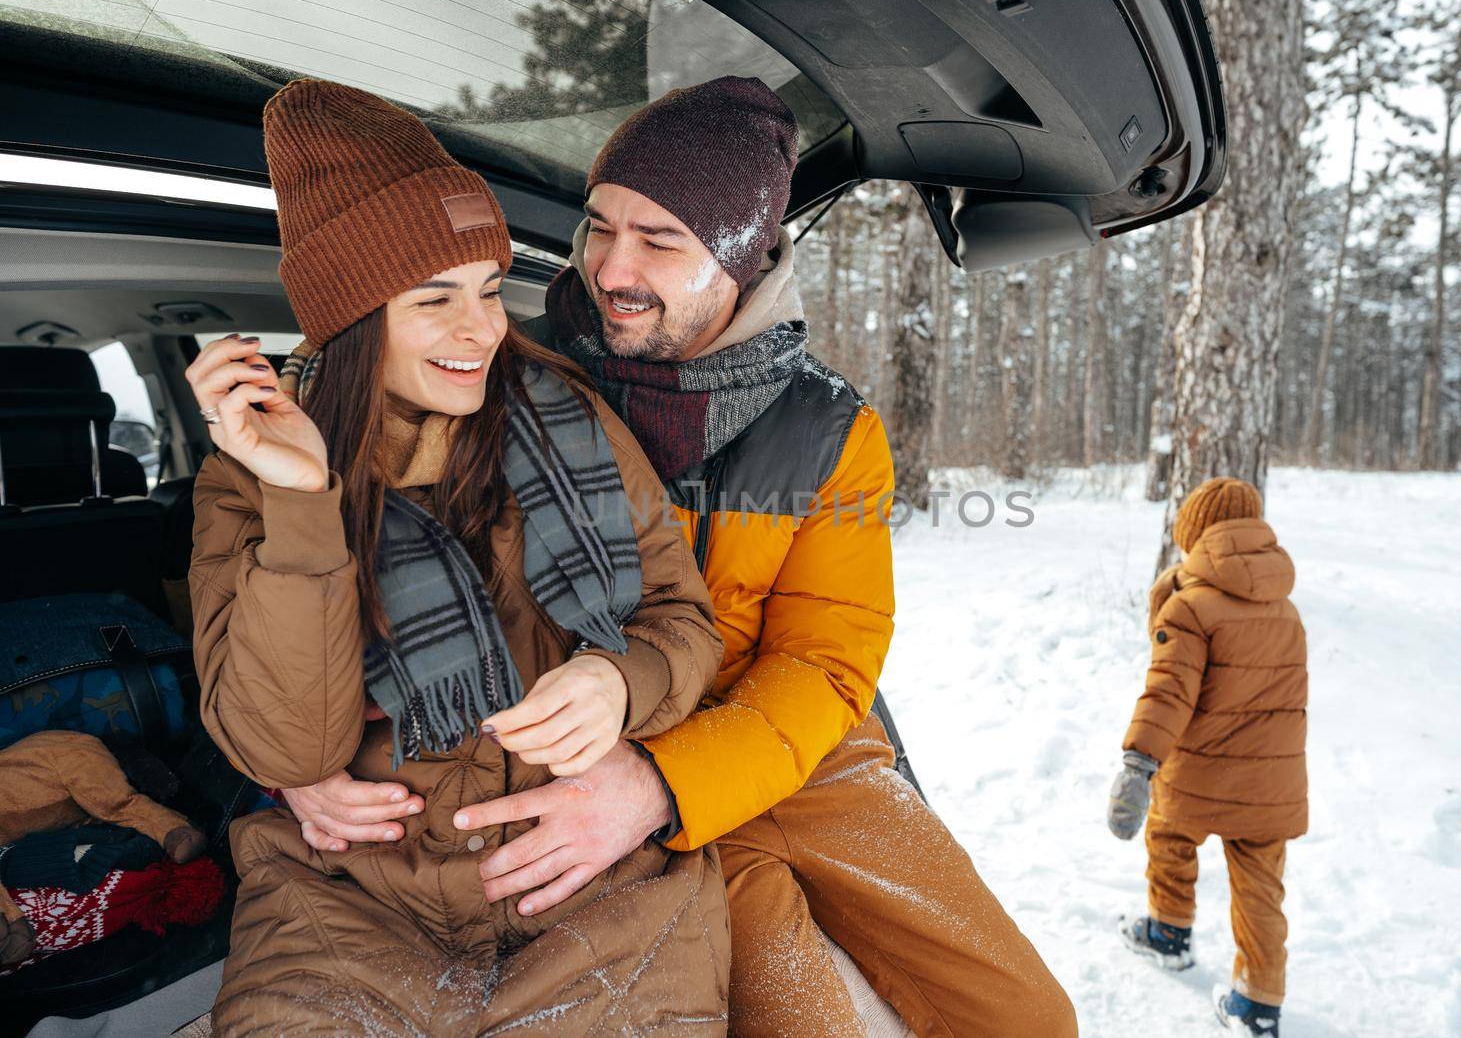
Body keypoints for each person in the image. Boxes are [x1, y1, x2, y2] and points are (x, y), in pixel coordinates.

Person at [286, 76, 1077, 1038]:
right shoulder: (501, 374)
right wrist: (301, 759)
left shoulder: (829, 430)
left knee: (1025, 1016)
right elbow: (349, 576)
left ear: (739, 258)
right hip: (579, 757)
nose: (611, 267)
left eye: (660, 241)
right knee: (803, 1019)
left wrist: (665, 782)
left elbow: (828, 659)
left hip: (789, 751)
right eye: (600, 225)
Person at [185, 79, 729, 1034]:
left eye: (488, 288)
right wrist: (305, 503)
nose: (482, 329)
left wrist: (620, 681)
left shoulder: (572, 415)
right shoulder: (249, 475)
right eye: (435, 298)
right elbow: (284, 748)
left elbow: (681, 624)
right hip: (348, 903)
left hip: (600, 888)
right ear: (353, 317)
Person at [1106, 477, 1308, 1038]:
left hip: (1199, 772)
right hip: (1272, 782)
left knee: (1169, 837)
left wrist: (1138, 763)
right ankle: (1260, 1003)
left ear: (1194, 533)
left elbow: (1169, 692)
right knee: (1261, 890)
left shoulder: (1189, 606)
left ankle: (1168, 931)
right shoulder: (1286, 608)